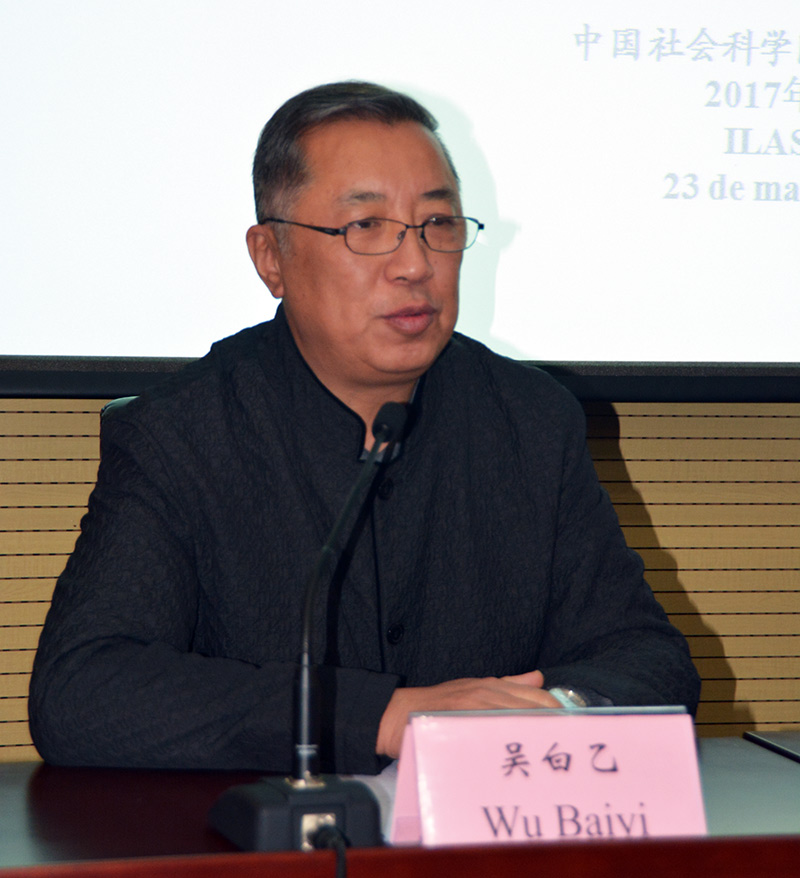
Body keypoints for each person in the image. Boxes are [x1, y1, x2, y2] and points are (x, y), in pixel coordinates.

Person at [29, 81, 700, 774]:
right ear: (271, 258)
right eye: (365, 227)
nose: (415, 265)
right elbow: (81, 692)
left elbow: (650, 663)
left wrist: (552, 713)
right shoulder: (183, 434)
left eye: (438, 225)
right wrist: (382, 717)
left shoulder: (531, 421)